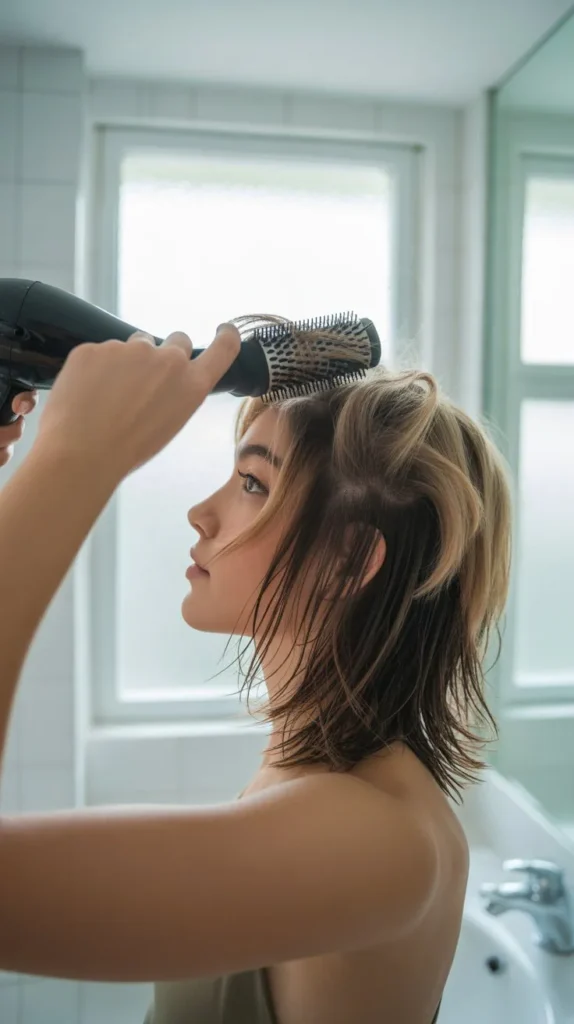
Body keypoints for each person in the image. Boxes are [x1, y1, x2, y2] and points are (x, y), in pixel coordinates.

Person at [0, 317, 512, 1024]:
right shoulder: (315, 776)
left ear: (347, 564)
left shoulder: (371, 838)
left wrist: (71, 462)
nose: (200, 513)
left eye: (252, 483)